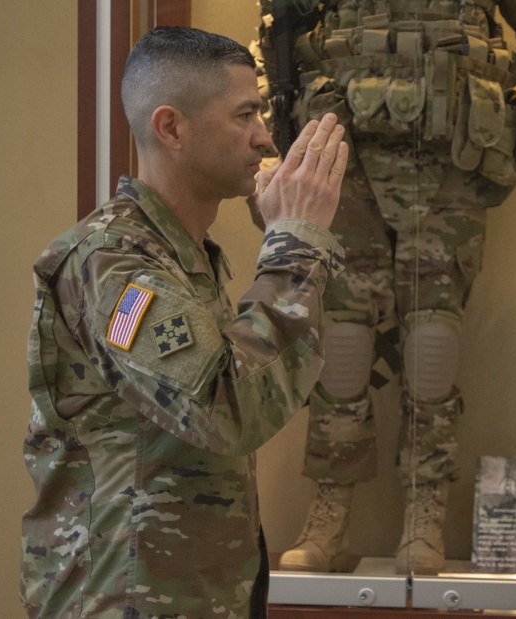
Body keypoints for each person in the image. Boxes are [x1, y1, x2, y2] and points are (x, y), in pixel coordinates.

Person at [20, 26, 349, 618]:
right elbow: (227, 408)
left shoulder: (183, 260)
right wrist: (296, 247)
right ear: (171, 128)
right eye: (244, 115)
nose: (264, 138)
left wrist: (291, 248)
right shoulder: (113, 263)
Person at [251, 0, 516, 574]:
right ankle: (331, 511)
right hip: (339, 150)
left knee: (433, 344)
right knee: (344, 343)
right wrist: (266, 145)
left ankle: (424, 510)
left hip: (454, 151)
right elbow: (274, 37)